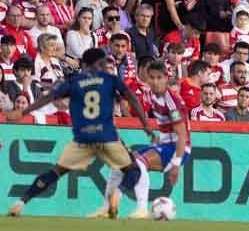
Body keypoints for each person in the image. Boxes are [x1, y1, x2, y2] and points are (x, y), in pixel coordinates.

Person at [6, 48, 155, 218]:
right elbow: (132, 98)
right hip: (107, 136)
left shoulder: (74, 81)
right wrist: (146, 125)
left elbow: (49, 98)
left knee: (55, 172)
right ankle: (118, 193)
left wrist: (23, 113)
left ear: (84, 64)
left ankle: (21, 202)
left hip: (83, 138)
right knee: (134, 170)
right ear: (100, 63)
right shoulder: (111, 80)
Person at [108, 59, 191, 219]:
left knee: (139, 164)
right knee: (124, 164)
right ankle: (111, 204)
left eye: (159, 77)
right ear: (147, 78)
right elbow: (167, 127)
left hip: (178, 149)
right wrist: (157, 138)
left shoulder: (171, 101)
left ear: (166, 77)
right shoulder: (152, 95)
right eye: (152, 77)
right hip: (166, 144)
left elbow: (182, 135)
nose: (155, 81)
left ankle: (141, 209)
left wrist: (176, 165)